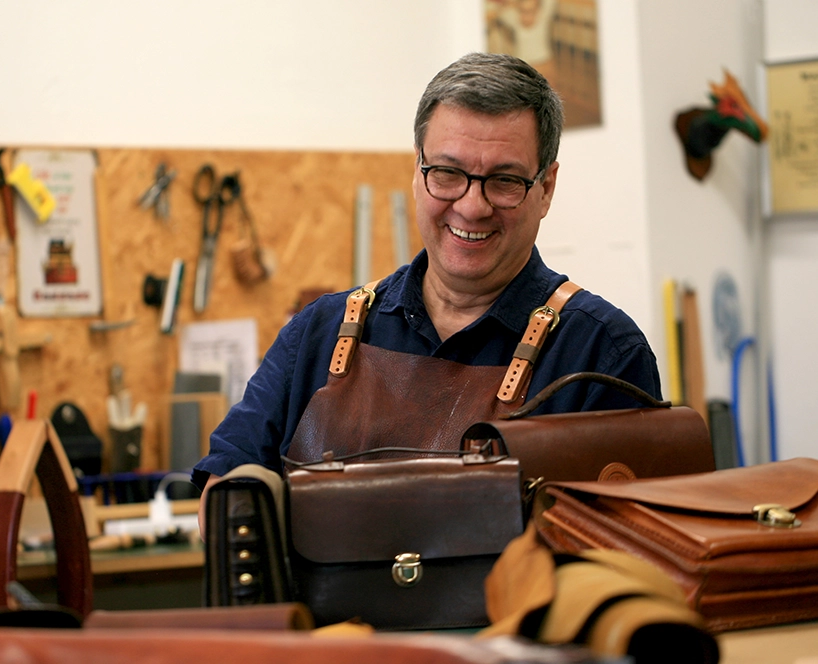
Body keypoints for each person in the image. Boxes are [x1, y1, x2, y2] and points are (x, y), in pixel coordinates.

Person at [193, 52, 661, 531]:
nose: (472, 206)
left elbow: (629, 562)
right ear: (416, 173)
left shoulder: (603, 354)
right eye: (448, 173)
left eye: (504, 181)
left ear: (547, 188)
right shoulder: (318, 333)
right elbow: (225, 496)